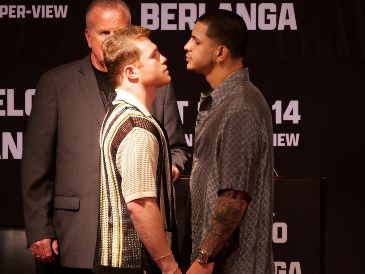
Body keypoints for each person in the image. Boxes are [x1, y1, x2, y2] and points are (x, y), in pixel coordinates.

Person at [21, 0, 189, 272]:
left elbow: (177, 148)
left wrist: (162, 170)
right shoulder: (56, 83)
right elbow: (36, 163)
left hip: (136, 239)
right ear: (88, 36)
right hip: (76, 232)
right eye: (104, 33)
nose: (112, 41)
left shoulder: (155, 84)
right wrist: (39, 227)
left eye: (120, 33)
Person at [183, 9, 274, 274]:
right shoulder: (223, 103)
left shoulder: (241, 108)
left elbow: (235, 198)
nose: (186, 46)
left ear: (220, 52)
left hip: (236, 266)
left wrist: (204, 258)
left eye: (196, 40)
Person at [94, 25, 182, 274]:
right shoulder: (136, 128)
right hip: (138, 265)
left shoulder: (119, 114)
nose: (163, 58)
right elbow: (140, 204)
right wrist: (170, 267)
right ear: (131, 72)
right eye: (154, 55)